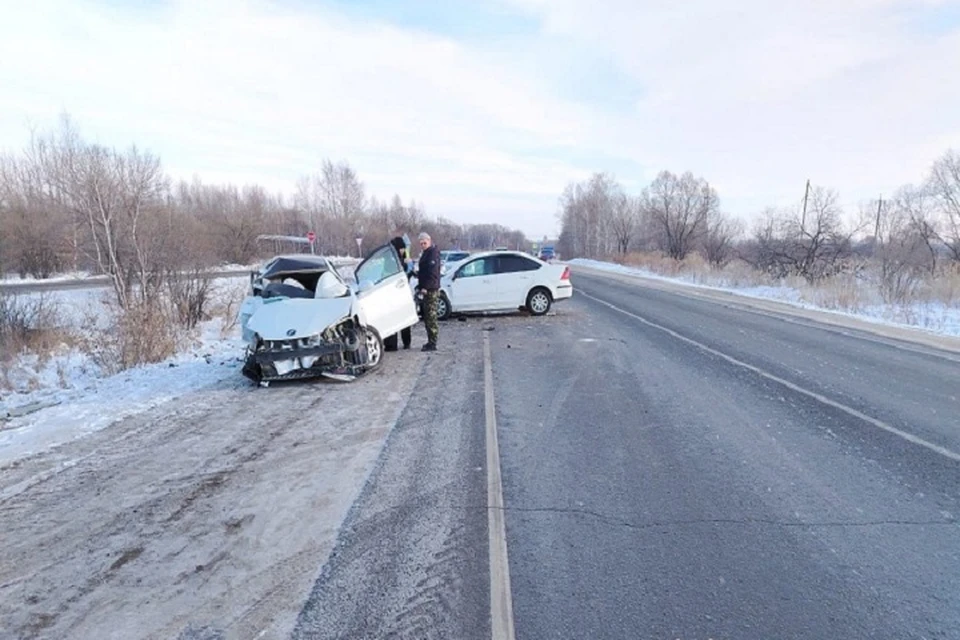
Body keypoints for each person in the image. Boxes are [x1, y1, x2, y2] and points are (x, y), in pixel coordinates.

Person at [416, 231, 441, 351]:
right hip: (426, 289)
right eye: (421, 243)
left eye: (424, 243)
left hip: (431, 290)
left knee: (431, 317)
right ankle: (430, 340)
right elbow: (424, 272)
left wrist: (425, 287)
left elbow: (432, 273)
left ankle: (433, 342)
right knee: (427, 317)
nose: (423, 245)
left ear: (429, 241)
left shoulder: (432, 254)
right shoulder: (426, 253)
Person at [389, 235, 414, 349]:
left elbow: (409, 269)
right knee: (400, 319)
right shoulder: (397, 259)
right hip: (401, 292)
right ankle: (402, 343)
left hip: (398, 293)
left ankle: (400, 343)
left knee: (399, 319)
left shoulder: (396, 259)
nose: (403, 250)